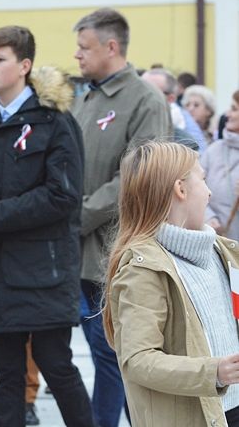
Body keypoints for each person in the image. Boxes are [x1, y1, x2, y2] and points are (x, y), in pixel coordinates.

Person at [0, 26, 92, 427]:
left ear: (24, 65)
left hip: (43, 271)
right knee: (5, 376)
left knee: (57, 367)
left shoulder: (54, 121)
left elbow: (63, 195)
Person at [71, 7, 171, 427]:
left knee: (115, 358)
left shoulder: (144, 100)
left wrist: (76, 215)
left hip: (117, 255)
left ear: (111, 47)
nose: (77, 56)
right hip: (78, 256)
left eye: (84, 47)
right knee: (101, 356)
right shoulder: (86, 98)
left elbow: (138, 177)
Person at [104, 141, 239, 427]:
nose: (210, 191)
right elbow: (138, 360)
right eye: (203, 179)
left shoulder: (223, 252)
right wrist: (214, 372)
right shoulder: (143, 269)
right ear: (181, 189)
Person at [202, 90, 239, 240]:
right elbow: (191, 188)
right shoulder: (214, 150)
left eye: (234, 109)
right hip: (217, 242)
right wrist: (207, 217)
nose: (227, 114)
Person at [141, 68, 204, 152]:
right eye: (139, 90)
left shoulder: (185, 143)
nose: (140, 97)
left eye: (150, 93)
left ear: (170, 99)